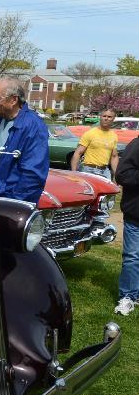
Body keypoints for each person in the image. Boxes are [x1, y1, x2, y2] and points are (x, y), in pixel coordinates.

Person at [0, 76, 49, 203]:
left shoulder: (33, 125)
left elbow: (33, 175)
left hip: (8, 201)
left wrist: (14, 204)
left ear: (13, 100)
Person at [114, 136, 139, 315]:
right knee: (132, 256)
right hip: (136, 214)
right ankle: (127, 297)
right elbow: (122, 174)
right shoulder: (136, 145)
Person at [70, 109, 119, 180]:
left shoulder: (114, 136)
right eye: (104, 116)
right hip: (89, 170)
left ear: (113, 119)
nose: (106, 118)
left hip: (105, 171)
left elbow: (114, 156)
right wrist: (74, 173)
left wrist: (115, 174)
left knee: (107, 191)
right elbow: (78, 153)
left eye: (109, 117)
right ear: (100, 117)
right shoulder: (90, 133)